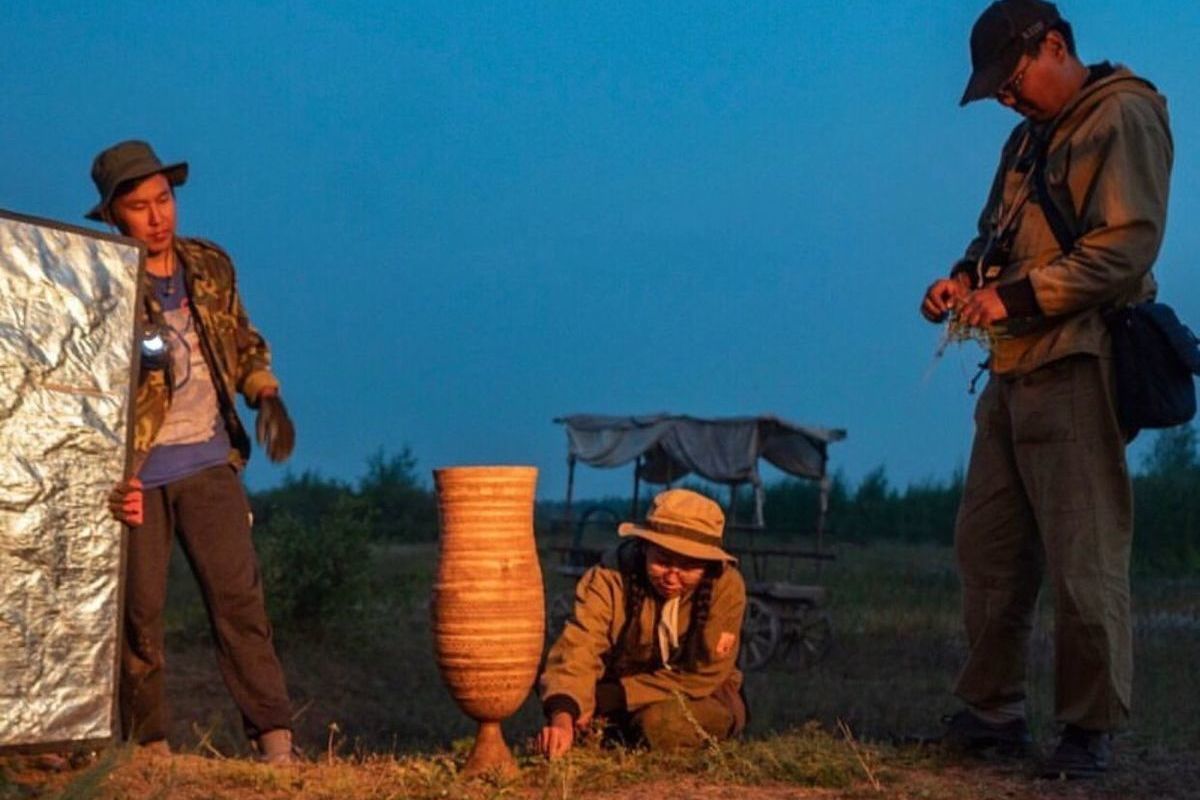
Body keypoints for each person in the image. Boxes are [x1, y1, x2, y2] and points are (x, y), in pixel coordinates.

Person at [919, 0, 1173, 780]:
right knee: (987, 547)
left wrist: (1015, 299)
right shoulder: (1026, 140)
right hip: (1008, 365)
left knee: (1082, 555)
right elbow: (993, 234)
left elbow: (1126, 249)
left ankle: (1087, 732)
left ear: (1055, 46)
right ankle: (990, 714)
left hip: (1075, 360)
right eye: (996, 88)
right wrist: (961, 281)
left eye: (1012, 78)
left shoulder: (1122, 114)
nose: (1005, 97)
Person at [92, 140, 299, 763]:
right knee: (139, 614)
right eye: (138, 206)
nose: (157, 217)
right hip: (138, 478)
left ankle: (275, 742)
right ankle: (148, 744)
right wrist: (107, 480)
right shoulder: (101, 283)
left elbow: (241, 338)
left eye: (164, 200)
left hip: (209, 462)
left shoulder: (208, 265)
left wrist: (265, 393)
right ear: (113, 216)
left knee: (240, 602)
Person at [536, 489, 747, 758]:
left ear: (707, 564)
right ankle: (583, 730)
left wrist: (616, 697)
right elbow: (578, 647)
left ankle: (618, 731)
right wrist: (563, 718)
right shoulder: (609, 578)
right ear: (644, 548)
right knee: (552, 685)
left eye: (688, 566)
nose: (672, 577)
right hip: (616, 687)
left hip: (699, 695)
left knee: (658, 724)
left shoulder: (726, 587)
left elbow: (704, 675)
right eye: (662, 561)